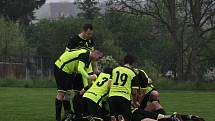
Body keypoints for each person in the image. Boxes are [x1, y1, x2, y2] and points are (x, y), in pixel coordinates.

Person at [54, 49, 102, 121]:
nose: (98, 60)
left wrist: (86, 87)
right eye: (99, 57)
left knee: (67, 92)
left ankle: (69, 114)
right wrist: (88, 77)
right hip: (61, 67)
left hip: (69, 70)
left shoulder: (88, 60)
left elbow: (84, 74)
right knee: (62, 93)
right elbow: (80, 69)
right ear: (95, 54)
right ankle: (58, 118)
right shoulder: (85, 54)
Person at [108, 54, 138, 121]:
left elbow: (109, 85)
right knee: (126, 118)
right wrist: (135, 102)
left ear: (124, 61)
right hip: (124, 98)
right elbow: (134, 92)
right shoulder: (133, 73)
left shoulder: (115, 70)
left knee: (114, 118)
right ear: (132, 63)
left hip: (112, 97)